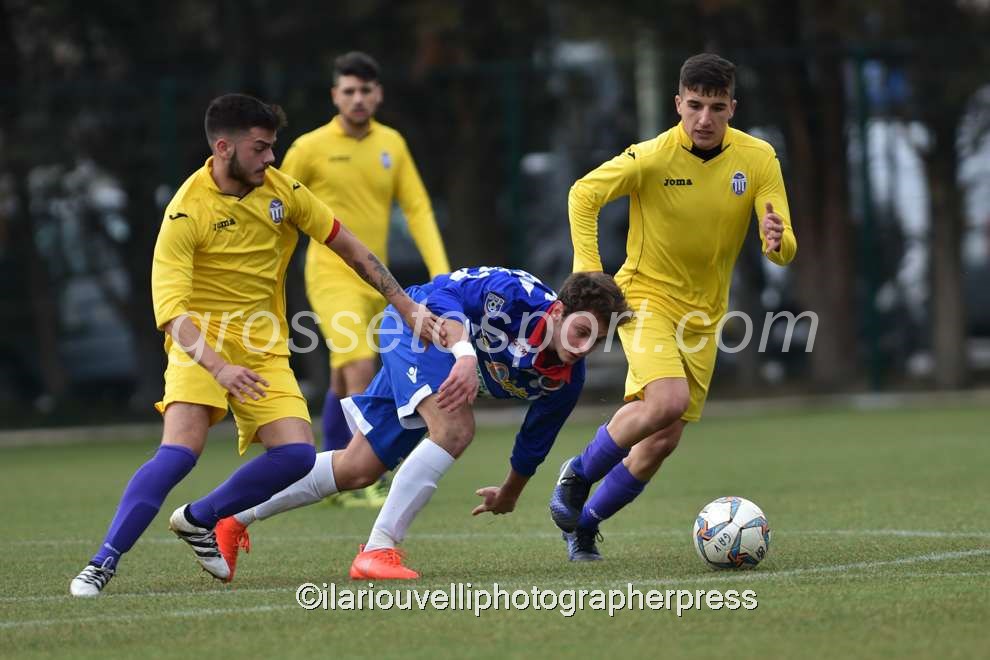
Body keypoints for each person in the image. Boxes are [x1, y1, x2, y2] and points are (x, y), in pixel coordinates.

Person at [69, 93, 439, 597]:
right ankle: (102, 562)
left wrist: (405, 305)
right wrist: (220, 368)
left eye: (271, 147)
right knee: (178, 454)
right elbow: (172, 314)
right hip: (200, 343)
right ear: (224, 148)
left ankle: (199, 518)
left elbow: (349, 246)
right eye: (260, 148)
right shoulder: (185, 212)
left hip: (263, 346)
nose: (270, 158)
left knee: (297, 456)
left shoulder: (283, 191)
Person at [214, 267, 631, 580]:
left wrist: (509, 493)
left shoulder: (566, 379)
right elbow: (445, 289)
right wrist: (465, 353)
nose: (584, 347)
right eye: (581, 331)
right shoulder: (515, 293)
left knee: (357, 468)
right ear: (557, 312)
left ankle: (232, 517)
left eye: (596, 340)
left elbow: (534, 442)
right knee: (455, 429)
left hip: (436, 361)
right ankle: (377, 550)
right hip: (414, 327)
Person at [549, 53, 798, 560]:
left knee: (662, 441)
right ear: (678, 103)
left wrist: (777, 241)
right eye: (695, 105)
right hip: (646, 297)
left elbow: (784, 245)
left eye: (717, 107)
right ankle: (576, 474)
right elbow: (583, 194)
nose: (705, 118)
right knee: (666, 401)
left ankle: (584, 525)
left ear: (732, 108)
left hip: (704, 316)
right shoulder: (651, 157)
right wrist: (590, 273)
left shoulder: (758, 159)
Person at [282, 52, 449, 511]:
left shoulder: (392, 143)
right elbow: (275, 206)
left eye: (365, 90)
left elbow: (417, 208)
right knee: (359, 364)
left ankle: (326, 469)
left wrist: (440, 273)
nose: (357, 98)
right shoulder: (309, 148)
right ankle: (366, 474)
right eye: (349, 91)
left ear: (378, 95)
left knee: (344, 376)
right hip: (329, 275)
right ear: (335, 96)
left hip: (378, 279)